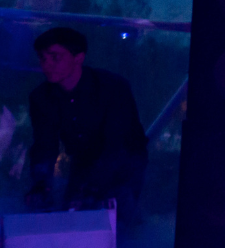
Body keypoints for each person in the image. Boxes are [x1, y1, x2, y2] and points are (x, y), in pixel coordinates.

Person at [26, 26, 148, 215]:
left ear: (79, 58)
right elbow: (44, 145)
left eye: (55, 57)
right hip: (84, 161)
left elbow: (118, 144)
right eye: (42, 58)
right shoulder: (41, 97)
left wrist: (92, 189)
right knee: (74, 220)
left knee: (116, 222)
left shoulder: (113, 88)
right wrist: (41, 185)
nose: (46, 64)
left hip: (125, 164)